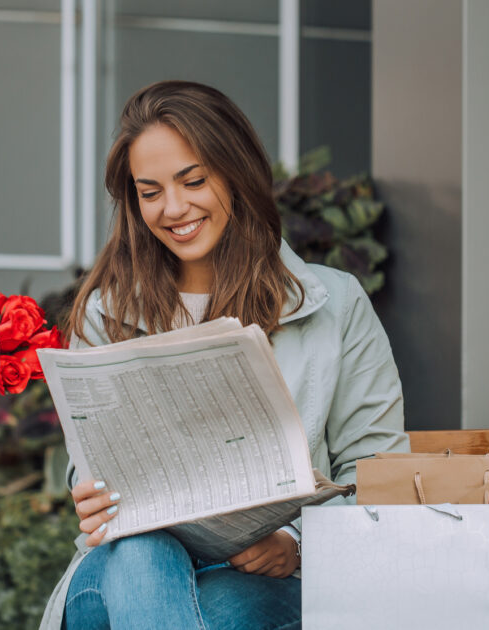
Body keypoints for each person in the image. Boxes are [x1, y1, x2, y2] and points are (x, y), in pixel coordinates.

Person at [38, 80, 408, 630]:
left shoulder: (336, 304)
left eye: (194, 180)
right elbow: (89, 466)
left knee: (208, 611)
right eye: (150, 191)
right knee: (144, 554)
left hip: (268, 576)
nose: (174, 208)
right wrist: (91, 497)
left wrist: (297, 542)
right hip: (120, 570)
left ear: (236, 172)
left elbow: (378, 472)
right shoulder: (104, 311)